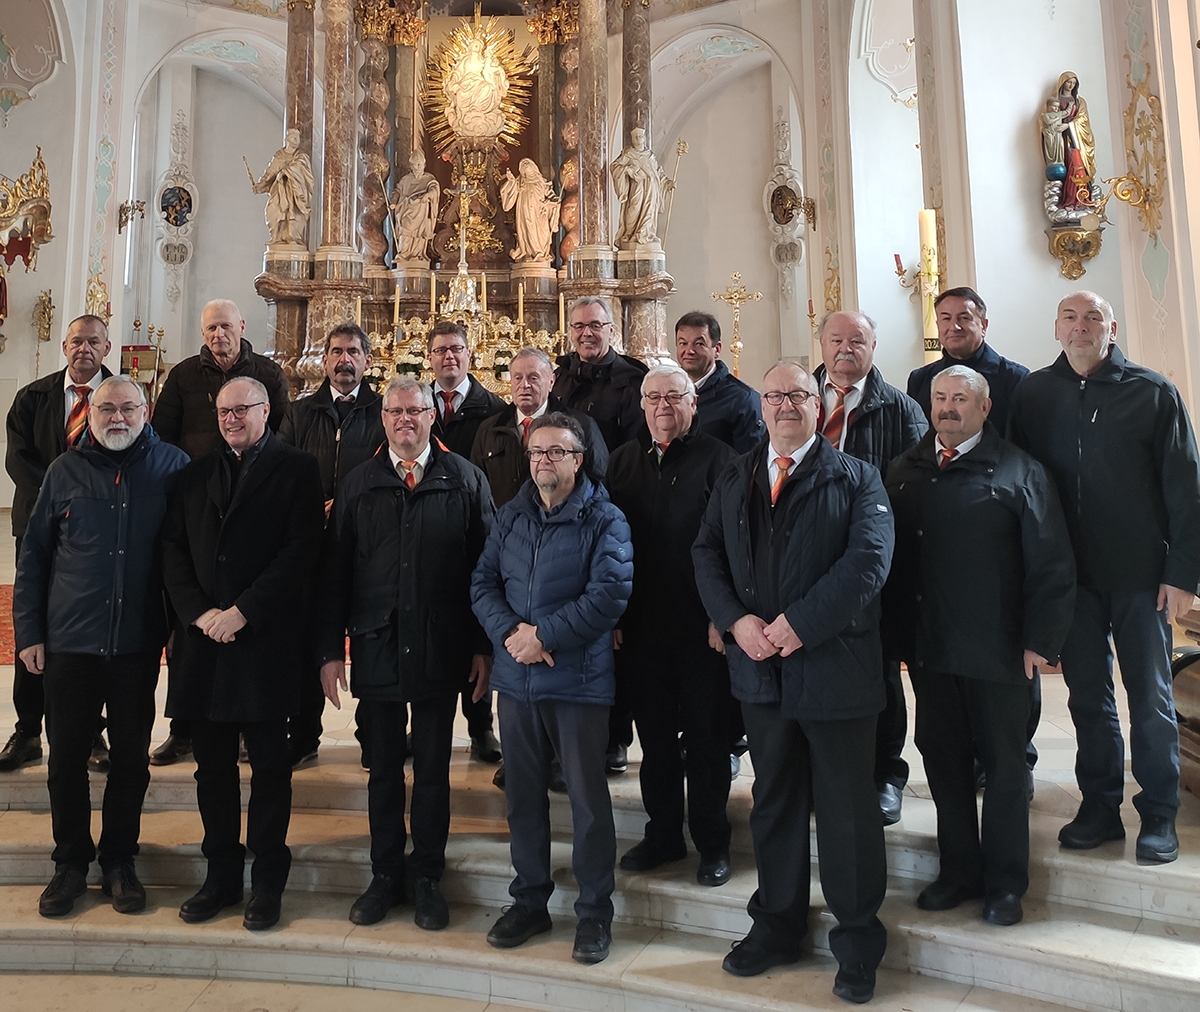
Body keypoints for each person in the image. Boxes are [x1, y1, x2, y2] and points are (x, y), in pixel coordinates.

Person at [692, 360, 892, 1003]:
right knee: (774, 801)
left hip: (835, 670)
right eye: (774, 395)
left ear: (818, 403)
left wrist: (797, 625)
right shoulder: (737, 474)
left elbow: (869, 563)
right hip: (760, 673)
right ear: (763, 406)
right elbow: (706, 553)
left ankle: (858, 942)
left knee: (846, 811)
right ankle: (778, 924)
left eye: (797, 395)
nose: (784, 406)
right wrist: (734, 620)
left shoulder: (857, 476)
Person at [1009, 291, 1200, 865]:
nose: (1081, 326)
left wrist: (1184, 572)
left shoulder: (1152, 392)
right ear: (1057, 328)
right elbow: (1017, 481)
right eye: (1070, 316)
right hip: (1071, 578)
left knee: (1150, 697)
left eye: (1093, 317)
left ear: (1111, 329)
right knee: (1088, 697)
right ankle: (1098, 806)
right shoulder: (1035, 394)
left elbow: (1185, 488)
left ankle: (1159, 812)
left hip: (1141, 576)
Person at [884, 366, 1075, 927]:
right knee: (943, 764)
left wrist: (1041, 642)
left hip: (999, 652)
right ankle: (959, 870)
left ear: (984, 408)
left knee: (1005, 769)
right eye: (940, 398)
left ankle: (1006, 882)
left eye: (960, 399)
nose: (948, 407)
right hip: (930, 648)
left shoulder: (1020, 471)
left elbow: (1052, 562)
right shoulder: (905, 469)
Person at [319, 377, 494, 930]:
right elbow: (335, 572)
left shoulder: (465, 479)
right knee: (384, 770)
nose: (404, 420)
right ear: (383, 418)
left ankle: (426, 877)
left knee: (436, 771)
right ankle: (385, 875)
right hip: (378, 643)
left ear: (430, 417)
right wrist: (329, 649)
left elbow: (487, 571)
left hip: (444, 644)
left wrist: (484, 646)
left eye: (414, 411)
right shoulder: (358, 482)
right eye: (393, 411)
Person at [13, 376, 189, 917]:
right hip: (71, 643)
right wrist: (30, 633)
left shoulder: (174, 468)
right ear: (90, 414)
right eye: (107, 408)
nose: (117, 417)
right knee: (65, 759)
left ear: (146, 411)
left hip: (137, 642)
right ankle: (69, 863)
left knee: (131, 762)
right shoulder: (65, 471)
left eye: (128, 408)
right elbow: (35, 557)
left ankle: (118, 860)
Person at [162, 377, 324, 931]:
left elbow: (300, 550)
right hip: (204, 643)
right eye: (224, 410)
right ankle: (221, 876)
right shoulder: (194, 472)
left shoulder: (298, 469)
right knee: (211, 771)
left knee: (271, 771)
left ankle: (268, 881)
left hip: (264, 643)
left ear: (266, 409)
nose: (231, 418)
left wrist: (243, 611)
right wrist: (201, 614)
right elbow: (173, 551)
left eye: (243, 409)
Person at [471, 412, 632, 965]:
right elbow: (482, 582)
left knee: (587, 802)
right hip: (517, 682)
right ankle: (530, 899)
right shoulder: (512, 516)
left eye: (556, 452)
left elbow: (610, 593)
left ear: (578, 459)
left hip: (577, 683)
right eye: (537, 452)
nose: (543, 460)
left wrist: (545, 637)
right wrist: (513, 634)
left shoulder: (605, 518)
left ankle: (593, 913)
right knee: (522, 798)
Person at [606, 364, 737, 886]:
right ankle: (662, 834)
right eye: (653, 397)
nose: (663, 406)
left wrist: (720, 615)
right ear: (642, 405)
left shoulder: (722, 461)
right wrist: (614, 616)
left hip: (702, 630)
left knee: (708, 740)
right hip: (641, 629)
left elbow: (733, 545)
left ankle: (712, 842)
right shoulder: (621, 462)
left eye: (674, 396)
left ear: (693, 403)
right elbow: (605, 545)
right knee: (655, 739)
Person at [150, 299, 291, 766]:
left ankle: (251, 727)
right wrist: (189, 484)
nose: (218, 335)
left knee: (251, 638)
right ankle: (184, 728)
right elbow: (161, 434)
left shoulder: (268, 373)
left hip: (255, 497)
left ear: (241, 327)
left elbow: (284, 434)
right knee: (189, 638)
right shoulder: (184, 375)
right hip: (196, 501)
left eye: (225, 326)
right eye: (210, 327)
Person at [815, 310, 927, 825]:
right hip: (808, 565)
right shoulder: (797, 399)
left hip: (873, 566)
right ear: (820, 345)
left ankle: (886, 774)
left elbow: (919, 488)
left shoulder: (901, 410)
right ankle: (820, 773)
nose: (845, 349)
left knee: (879, 673)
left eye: (856, 340)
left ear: (873, 346)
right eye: (835, 339)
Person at [2, 315, 113, 773]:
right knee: (33, 624)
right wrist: (59, 500)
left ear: (108, 348)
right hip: (39, 527)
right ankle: (28, 730)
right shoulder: (34, 397)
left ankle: (90, 732)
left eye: (93, 342)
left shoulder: (122, 397)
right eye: (76, 341)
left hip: (101, 533)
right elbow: (17, 459)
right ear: (63, 346)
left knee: (87, 632)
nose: (83, 349)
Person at [277, 323, 385, 769]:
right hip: (310, 546)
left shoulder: (384, 412)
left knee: (370, 642)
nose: (344, 360)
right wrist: (309, 509)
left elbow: (392, 469)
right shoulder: (301, 413)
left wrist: (346, 506)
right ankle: (303, 734)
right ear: (324, 361)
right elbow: (278, 468)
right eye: (336, 352)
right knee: (305, 639)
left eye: (353, 352)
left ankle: (375, 735)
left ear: (367, 360)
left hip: (365, 546)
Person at [426, 319, 505, 762]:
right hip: (428, 530)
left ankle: (481, 728)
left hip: (474, 530)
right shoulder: (415, 406)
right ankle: (422, 728)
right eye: (441, 350)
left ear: (469, 354)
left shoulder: (493, 408)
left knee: (478, 635)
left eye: (456, 348)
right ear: (430, 357)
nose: (449, 357)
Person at [470, 347, 608, 508]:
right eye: (517, 378)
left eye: (533, 378)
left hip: (565, 526)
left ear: (551, 382)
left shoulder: (582, 426)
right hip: (505, 527)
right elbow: (476, 488)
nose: (524, 385)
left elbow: (600, 484)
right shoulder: (489, 429)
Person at [906, 287, 1029, 435]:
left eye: (964, 318)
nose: (954, 327)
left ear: (983, 326)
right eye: (946, 318)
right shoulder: (919, 380)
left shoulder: (1015, 378)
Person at [553, 296, 649, 455]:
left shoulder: (631, 381)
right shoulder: (559, 376)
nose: (586, 333)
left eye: (595, 325)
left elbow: (635, 448)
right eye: (579, 326)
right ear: (571, 332)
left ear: (611, 331)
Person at [674, 311, 763, 454]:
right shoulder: (668, 394)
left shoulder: (743, 399)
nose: (689, 350)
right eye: (683, 343)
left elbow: (749, 461)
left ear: (717, 349)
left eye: (699, 344)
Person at [251, 128, 315, 246]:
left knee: (292, 211)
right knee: (272, 210)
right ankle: (277, 236)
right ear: (287, 139)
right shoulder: (279, 155)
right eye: (294, 137)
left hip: (294, 191)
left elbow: (301, 168)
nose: (296, 140)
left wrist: (287, 172)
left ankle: (292, 236)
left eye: (298, 138)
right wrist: (260, 186)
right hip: (279, 189)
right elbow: (270, 172)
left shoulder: (301, 156)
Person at [610, 127, 673, 248]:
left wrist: (667, 183)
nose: (639, 139)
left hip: (652, 188)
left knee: (650, 210)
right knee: (634, 209)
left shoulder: (650, 156)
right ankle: (629, 234)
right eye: (636, 136)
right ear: (632, 139)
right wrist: (628, 169)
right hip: (637, 187)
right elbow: (615, 166)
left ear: (644, 138)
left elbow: (658, 173)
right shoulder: (629, 154)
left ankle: (646, 233)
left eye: (641, 136)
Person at [501, 158, 560, 263]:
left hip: (540, 212)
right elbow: (510, 194)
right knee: (527, 231)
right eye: (522, 164)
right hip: (524, 211)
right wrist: (511, 181)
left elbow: (552, 196)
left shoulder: (542, 182)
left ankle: (540, 253)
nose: (525, 165)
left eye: (527, 163)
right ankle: (529, 253)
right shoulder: (520, 181)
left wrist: (552, 202)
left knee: (543, 232)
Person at [390, 149, 440, 262]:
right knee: (405, 231)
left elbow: (434, 189)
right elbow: (397, 191)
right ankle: (403, 254)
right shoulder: (405, 179)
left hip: (420, 210)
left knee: (419, 234)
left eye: (419, 164)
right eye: (414, 165)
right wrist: (393, 202)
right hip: (405, 209)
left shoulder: (428, 178)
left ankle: (417, 255)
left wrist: (427, 195)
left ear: (424, 164)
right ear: (411, 166)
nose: (417, 167)